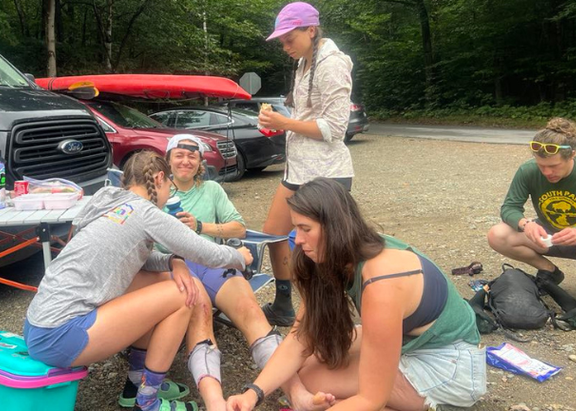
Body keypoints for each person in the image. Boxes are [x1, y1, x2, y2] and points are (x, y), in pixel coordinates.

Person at [227, 178, 486, 411]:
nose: (298, 239)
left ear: (334, 227)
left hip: (451, 365)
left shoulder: (381, 281)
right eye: (296, 229)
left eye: (306, 229)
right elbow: (300, 337)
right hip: (410, 341)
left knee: (315, 378)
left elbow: (371, 399)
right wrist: (252, 394)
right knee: (308, 364)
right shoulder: (342, 253)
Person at [24, 151, 253, 411]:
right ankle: (148, 401)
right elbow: (204, 252)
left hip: (38, 326)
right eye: (169, 185)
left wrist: (171, 261)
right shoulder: (146, 212)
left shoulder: (109, 201)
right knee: (182, 294)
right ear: (158, 178)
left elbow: (132, 257)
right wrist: (240, 257)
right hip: (61, 336)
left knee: (160, 279)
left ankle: (137, 380)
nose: (169, 192)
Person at [152, 135, 280, 411]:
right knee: (200, 313)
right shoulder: (157, 192)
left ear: (199, 162)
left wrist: (201, 226)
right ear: (169, 160)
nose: (185, 161)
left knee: (251, 309)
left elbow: (240, 229)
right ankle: (215, 404)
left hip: (213, 260)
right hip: (177, 267)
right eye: (179, 155)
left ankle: (296, 389)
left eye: (192, 156)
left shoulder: (211, 189)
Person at [258, 2, 355, 326]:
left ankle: (329, 315)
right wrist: (277, 123)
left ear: (310, 30)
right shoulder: (303, 64)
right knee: (272, 233)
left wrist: (286, 124)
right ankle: (285, 304)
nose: (284, 46)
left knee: (322, 254)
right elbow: (304, 119)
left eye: (289, 39)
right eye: (281, 41)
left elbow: (334, 129)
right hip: (298, 170)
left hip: (327, 174)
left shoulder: (332, 65)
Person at [488, 118, 576, 306]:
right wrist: (525, 225)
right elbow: (510, 207)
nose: (546, 172)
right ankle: (549, 271)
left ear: (572, 155)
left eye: (553, 166)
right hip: (547, 235)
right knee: (497, 234)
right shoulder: (528, 170)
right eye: (541, 165)